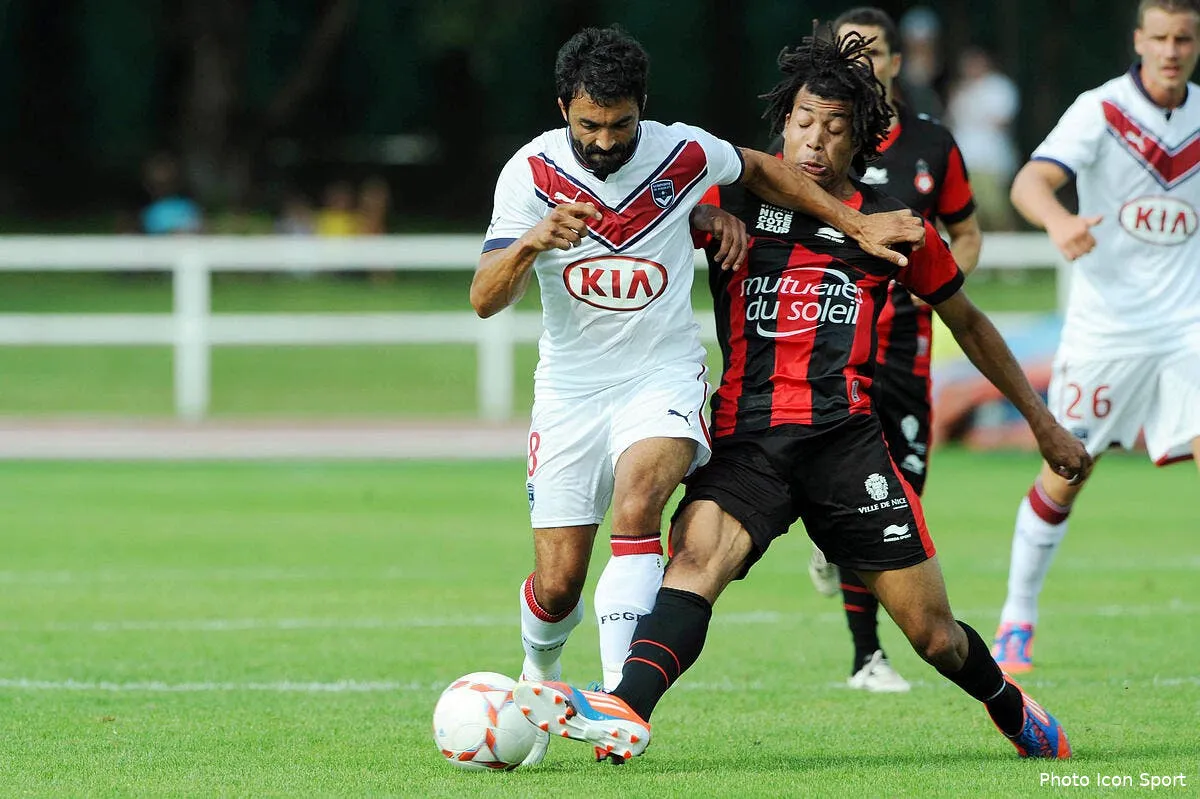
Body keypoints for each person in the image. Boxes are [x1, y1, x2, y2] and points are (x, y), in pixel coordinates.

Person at [514, 29, 1090, 764]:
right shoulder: (728, 198)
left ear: (864, 139)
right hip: (748, 436)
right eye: (804, 122)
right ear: (782, 121)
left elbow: (969, 325)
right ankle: (626, 709)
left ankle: (1010, 706)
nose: (816, 141)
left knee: (933, 633)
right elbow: (632, 214)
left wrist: (1042, 425)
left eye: (837, 128)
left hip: (846, 444)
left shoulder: (893, 228)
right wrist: (699, 217)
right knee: (693, 563)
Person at [472, 25, 924, 765]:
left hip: (660, 374)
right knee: (556, 587)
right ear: (564, 107)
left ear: (641, 110)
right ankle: (540, 672)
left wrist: (852, 220)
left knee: (642, 496)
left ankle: (620, 704)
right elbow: (486, 298)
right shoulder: (529, 174)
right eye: (589, 124)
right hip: (570, 390)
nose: (606, 139)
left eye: (620, 124)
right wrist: (530, 242)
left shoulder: (681, 151)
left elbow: (765, 171)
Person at [992, 0, 1200, 674]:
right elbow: (1031, 181)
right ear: (1140, 39)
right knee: (1069, 468)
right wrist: (1056, 221)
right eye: (1160, 37)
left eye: (1184, 39)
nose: (1171, 50)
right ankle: (1016, 616)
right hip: (1108, 325)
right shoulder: (1102, 110)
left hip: (1188, 325)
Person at [803, 6, 983, 695]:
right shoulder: (822, 138)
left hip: (906, 347)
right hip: (831, 348)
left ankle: (837, 557)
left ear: (897, 62)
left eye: (872, 52)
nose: (862, 64)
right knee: (867, 492)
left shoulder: (934, 144)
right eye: (847, 53)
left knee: (903, 491)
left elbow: (965, 233)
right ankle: (866, 655)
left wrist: (937, 282)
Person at [945, 47, 1020, 230]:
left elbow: (1001, 119)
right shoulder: (961, 89)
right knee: (968, 212)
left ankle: (1010, 247)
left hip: (991, 160)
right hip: (965, 159)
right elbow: (952, 119)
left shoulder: (999, 86)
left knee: (996, 210)